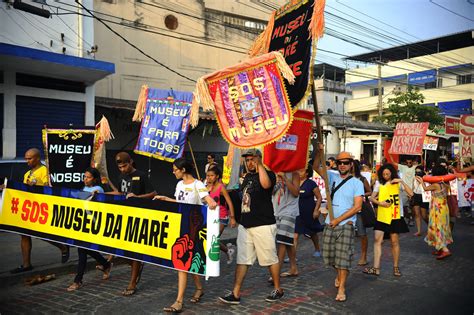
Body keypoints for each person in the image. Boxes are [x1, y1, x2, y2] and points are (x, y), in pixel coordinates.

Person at [219, 149, 284, 305]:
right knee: (242, 260)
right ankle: (235, 293)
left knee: (269, 258)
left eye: (252, 159)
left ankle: (278, 289)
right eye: (247, 160)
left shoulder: (268, 174)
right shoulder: (247, 177)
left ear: (259, 159)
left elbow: (266, 184)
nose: (250, 163)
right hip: (246, 225)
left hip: (263, 224)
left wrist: (259, 164)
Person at [153, 158, 217, 313]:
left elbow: (206, 198)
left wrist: (210, 201)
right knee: (189, 261)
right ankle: (199, 288)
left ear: (183, 170)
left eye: (175, 169)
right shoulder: (179, 184)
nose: (173, 172)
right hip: (181, 226)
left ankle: (179, 301)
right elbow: (179, 202)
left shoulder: (198, 184)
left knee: (183, 263)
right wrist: (166, 199)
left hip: (194, 228)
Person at [313, 148, 364, 302]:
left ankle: (342, 288)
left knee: (343, 259)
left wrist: (339, 219)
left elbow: (357, 207)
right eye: (340, 162)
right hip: (330, 223)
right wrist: (318, 153)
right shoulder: (331, 176)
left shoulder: (357, 183)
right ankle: (340, 274)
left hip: (346, 225)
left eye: (346, 163)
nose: (342, 165)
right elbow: (315, 167)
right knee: (329, 257)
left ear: (351, 165)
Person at [11, 148, 69, 274]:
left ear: (37, 158)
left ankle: (63, 246)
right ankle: (26, 264)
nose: (27, 161)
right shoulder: (27, 174)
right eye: (26, 158)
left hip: (42, 208)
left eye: (30, 158)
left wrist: (37, 186)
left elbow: (50, 189)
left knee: (41, 234)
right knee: (24, 234)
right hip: (28, 207)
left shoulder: (45, 171)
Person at [111, 152, 157, 296]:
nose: (123, 169)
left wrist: (137, 197)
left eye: (125, 166)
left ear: (131, 162)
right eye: (120, 167)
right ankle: (137, 264)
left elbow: (153, 193)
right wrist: (102, 194)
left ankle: (132, 283)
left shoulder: (141, 175)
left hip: (139, 217)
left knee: (135, 250)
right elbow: (119, 193)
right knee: (121, 251)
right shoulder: (120, 177)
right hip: (124, 216)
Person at [67, 167, 112, 291]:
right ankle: (106, 264)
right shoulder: (84, 189)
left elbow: (94, 199)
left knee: (82, 250)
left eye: (88, 177)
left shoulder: (98, 189)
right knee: (85, 249)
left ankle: (78, 281)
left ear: (95, 179)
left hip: (93, 224)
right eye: (84, 177)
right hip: (83, 223)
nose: (85, 179)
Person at [364, 163, 413, 277]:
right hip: (382, 215)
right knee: (377, 240)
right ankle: (376, 268)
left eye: (388, 173)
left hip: (395, 215)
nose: (385, 175)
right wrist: (379, 202)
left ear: (392, 173)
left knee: (394, 241)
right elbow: (371, 197)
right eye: (384, 174)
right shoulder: (379, 183)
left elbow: (411, 193)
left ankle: (396, 267)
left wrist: (401, 181)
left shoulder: (397, 183)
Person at [415, 166, 453, 259]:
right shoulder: (446, 183)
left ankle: (445, 250)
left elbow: (425, 188)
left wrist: (421, 182)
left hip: (437, 208)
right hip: (444, 207)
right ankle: (439, 248)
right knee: (443, 227)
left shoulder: (436, 184)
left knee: (437, 227)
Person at [205, 166, 237, 264]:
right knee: (210, 238)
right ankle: (228, 251)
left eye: (212, 175)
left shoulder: (221, 187)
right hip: (210, 216)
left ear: (217, 176)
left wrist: (232, 218)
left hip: (222, 217)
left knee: (213, 238)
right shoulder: (205, 186)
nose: (209, 177)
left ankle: (211, 261)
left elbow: (230, 202)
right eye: (207, 175)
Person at [272, 170, 300, 278]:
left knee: (282, 241)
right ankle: (293, 268)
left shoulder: (294, 174)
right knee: (287, 241)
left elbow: (296, 192)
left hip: (289, 211)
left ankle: (276, 272)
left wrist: (285, 178)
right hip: (276, 210)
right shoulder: (273, 172)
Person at [294, 163, 323, 258]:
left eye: (301, 170)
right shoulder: (295, 182)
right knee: (295, 234)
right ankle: (293, 256)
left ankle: (317, 249)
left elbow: (319, 197)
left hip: (309, 211)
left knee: (312, 233)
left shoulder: (311, 183)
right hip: (297, 212)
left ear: (307, 173)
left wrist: (316, 210)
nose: (299, 172)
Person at [352, 160, 372, 266]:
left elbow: (370, 191)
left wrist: (361, 195)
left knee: (362, 233)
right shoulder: (345, 179)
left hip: (359, 209)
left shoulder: (362, 179)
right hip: (347, 209)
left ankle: (363, 256)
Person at [412, 166, 429, 236]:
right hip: (416, 195)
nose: (417, 173)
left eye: (419, 172)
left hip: (424, 196)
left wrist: (422, 180)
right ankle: (419, 231)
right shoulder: (414, 178)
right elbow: (413, 186)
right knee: (417, 213)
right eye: (416, 172)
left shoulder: (426, 178)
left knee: (424, 215)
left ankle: (430, 227)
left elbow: (427, 187)